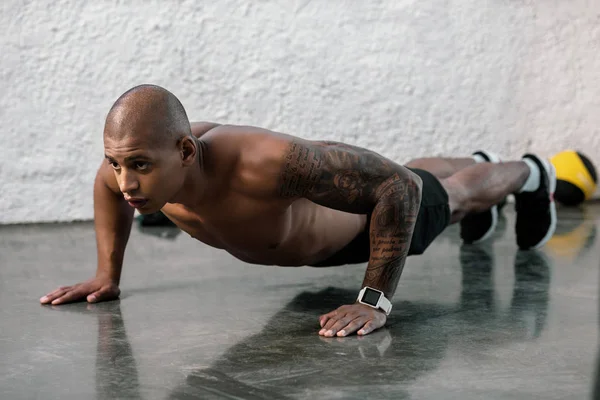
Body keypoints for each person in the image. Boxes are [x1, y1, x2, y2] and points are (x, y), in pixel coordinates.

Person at [39, 84, 557, 337]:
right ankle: (481, 162)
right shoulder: (135, 166)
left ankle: (531, 173)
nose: (125, 181)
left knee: (450, 195)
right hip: (318, 214)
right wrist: (108, 272)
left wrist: (374, 300)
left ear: (185, 153)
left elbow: (398, 189)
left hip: (361, 230)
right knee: (424, 177)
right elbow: (106, 186)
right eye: (116, 162)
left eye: (139, 166)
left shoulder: (264, 164)